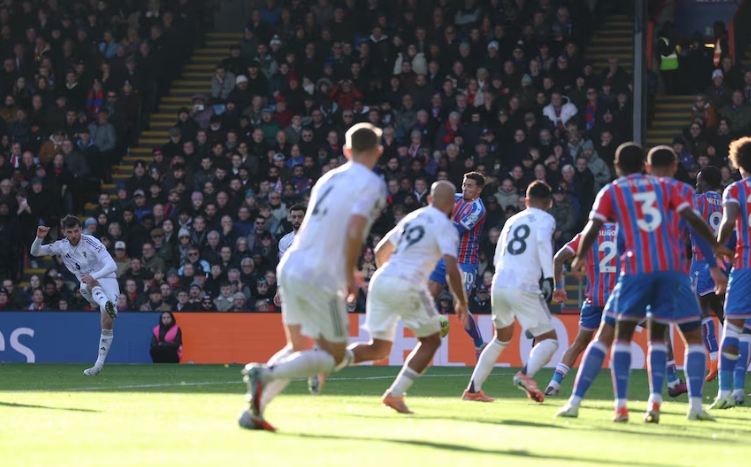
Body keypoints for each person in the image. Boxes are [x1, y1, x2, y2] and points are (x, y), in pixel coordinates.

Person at [556, 143, 728, 422]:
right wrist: (714, 259)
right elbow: (695, 225)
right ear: (670, 167)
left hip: (635, 271)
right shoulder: (676, 190)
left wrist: (579, 257)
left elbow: (594, 228)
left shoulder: (615, 191)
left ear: (618, 166)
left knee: (610, 337)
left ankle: (600, 405)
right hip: (673, 272)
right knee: (684, 338)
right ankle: (690, 406)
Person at [239, 123, 387, 431]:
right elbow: (355, 229)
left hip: (291, 264)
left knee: (297, 346)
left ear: (346, 150)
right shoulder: (372, 184)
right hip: (321, 274)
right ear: (378, 151)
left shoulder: (327, 179)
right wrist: (349, 272)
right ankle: (265, 373)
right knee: (335, 355)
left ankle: (253, 412)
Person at [344, 180, 468, 414]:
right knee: (431, 341)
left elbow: (381, 250)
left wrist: (390, 276)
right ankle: (395, 394)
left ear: (429, 199)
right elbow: (451, 269)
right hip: (408, 283)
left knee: (378, 348)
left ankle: (327, 359)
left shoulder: (413, 218)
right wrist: (461, 300)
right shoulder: (447, 227)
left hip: (382, 279)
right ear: (453, 204)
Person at [462, 181, 559, 403]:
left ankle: (473, 390)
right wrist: (549, 277)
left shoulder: (512, 220)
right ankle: (525, 375)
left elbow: (498, 255)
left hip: (500, 282)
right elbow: (543, 244)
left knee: (500, 339)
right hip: (523, 283)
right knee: (550, 341)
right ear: (549, 203)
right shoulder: (546, 218)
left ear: (526, 201)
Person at [30, 215, 120, 376]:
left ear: (81, 229)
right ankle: (105, 303)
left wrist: (94, 276)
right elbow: (35, 252)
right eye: (70, 232)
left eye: (77, 231)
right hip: (87, 285)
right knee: (90, 282)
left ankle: (98, 365)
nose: (74, 235)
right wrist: (39, 238)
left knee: (107, 322)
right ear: (64, 232)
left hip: (107, 280)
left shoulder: (91, 242)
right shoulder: (61, 246)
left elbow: (112, 265)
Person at [545, 222, 618, 396]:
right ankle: (672, 379)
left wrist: (559, 287)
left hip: (594, 300)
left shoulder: (588, 234)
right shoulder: (627, 232)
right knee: (658, 331)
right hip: (620, 299)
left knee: (579, 343)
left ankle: (554, 383)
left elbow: (558, 258)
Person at [427, 172, 487, 360]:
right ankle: (438, 323)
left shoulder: (478, 209)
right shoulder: (456, 198)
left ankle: (479, 343)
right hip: (445, 257)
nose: (465, 189)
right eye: (464, 184)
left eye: (470, 186)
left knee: (459, 307)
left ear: (478, 190)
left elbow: (457, 230)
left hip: (465, 262)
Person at [712, 136, 751, 409]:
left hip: (745, 265)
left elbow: (727, 223)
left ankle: (725, 392)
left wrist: (717, 247)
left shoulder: (735, 190)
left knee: (734, 327)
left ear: (737, 163)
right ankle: (738, 389)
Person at [690, 166, 725, 381]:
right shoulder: (726, 202)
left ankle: (713, 358)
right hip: (724, 262)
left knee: (698, 308)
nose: (696, 184)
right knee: (721, 310)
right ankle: (735, 355)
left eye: (698, 180)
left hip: (702, 261)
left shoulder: (698, 201)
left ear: (705, 183)